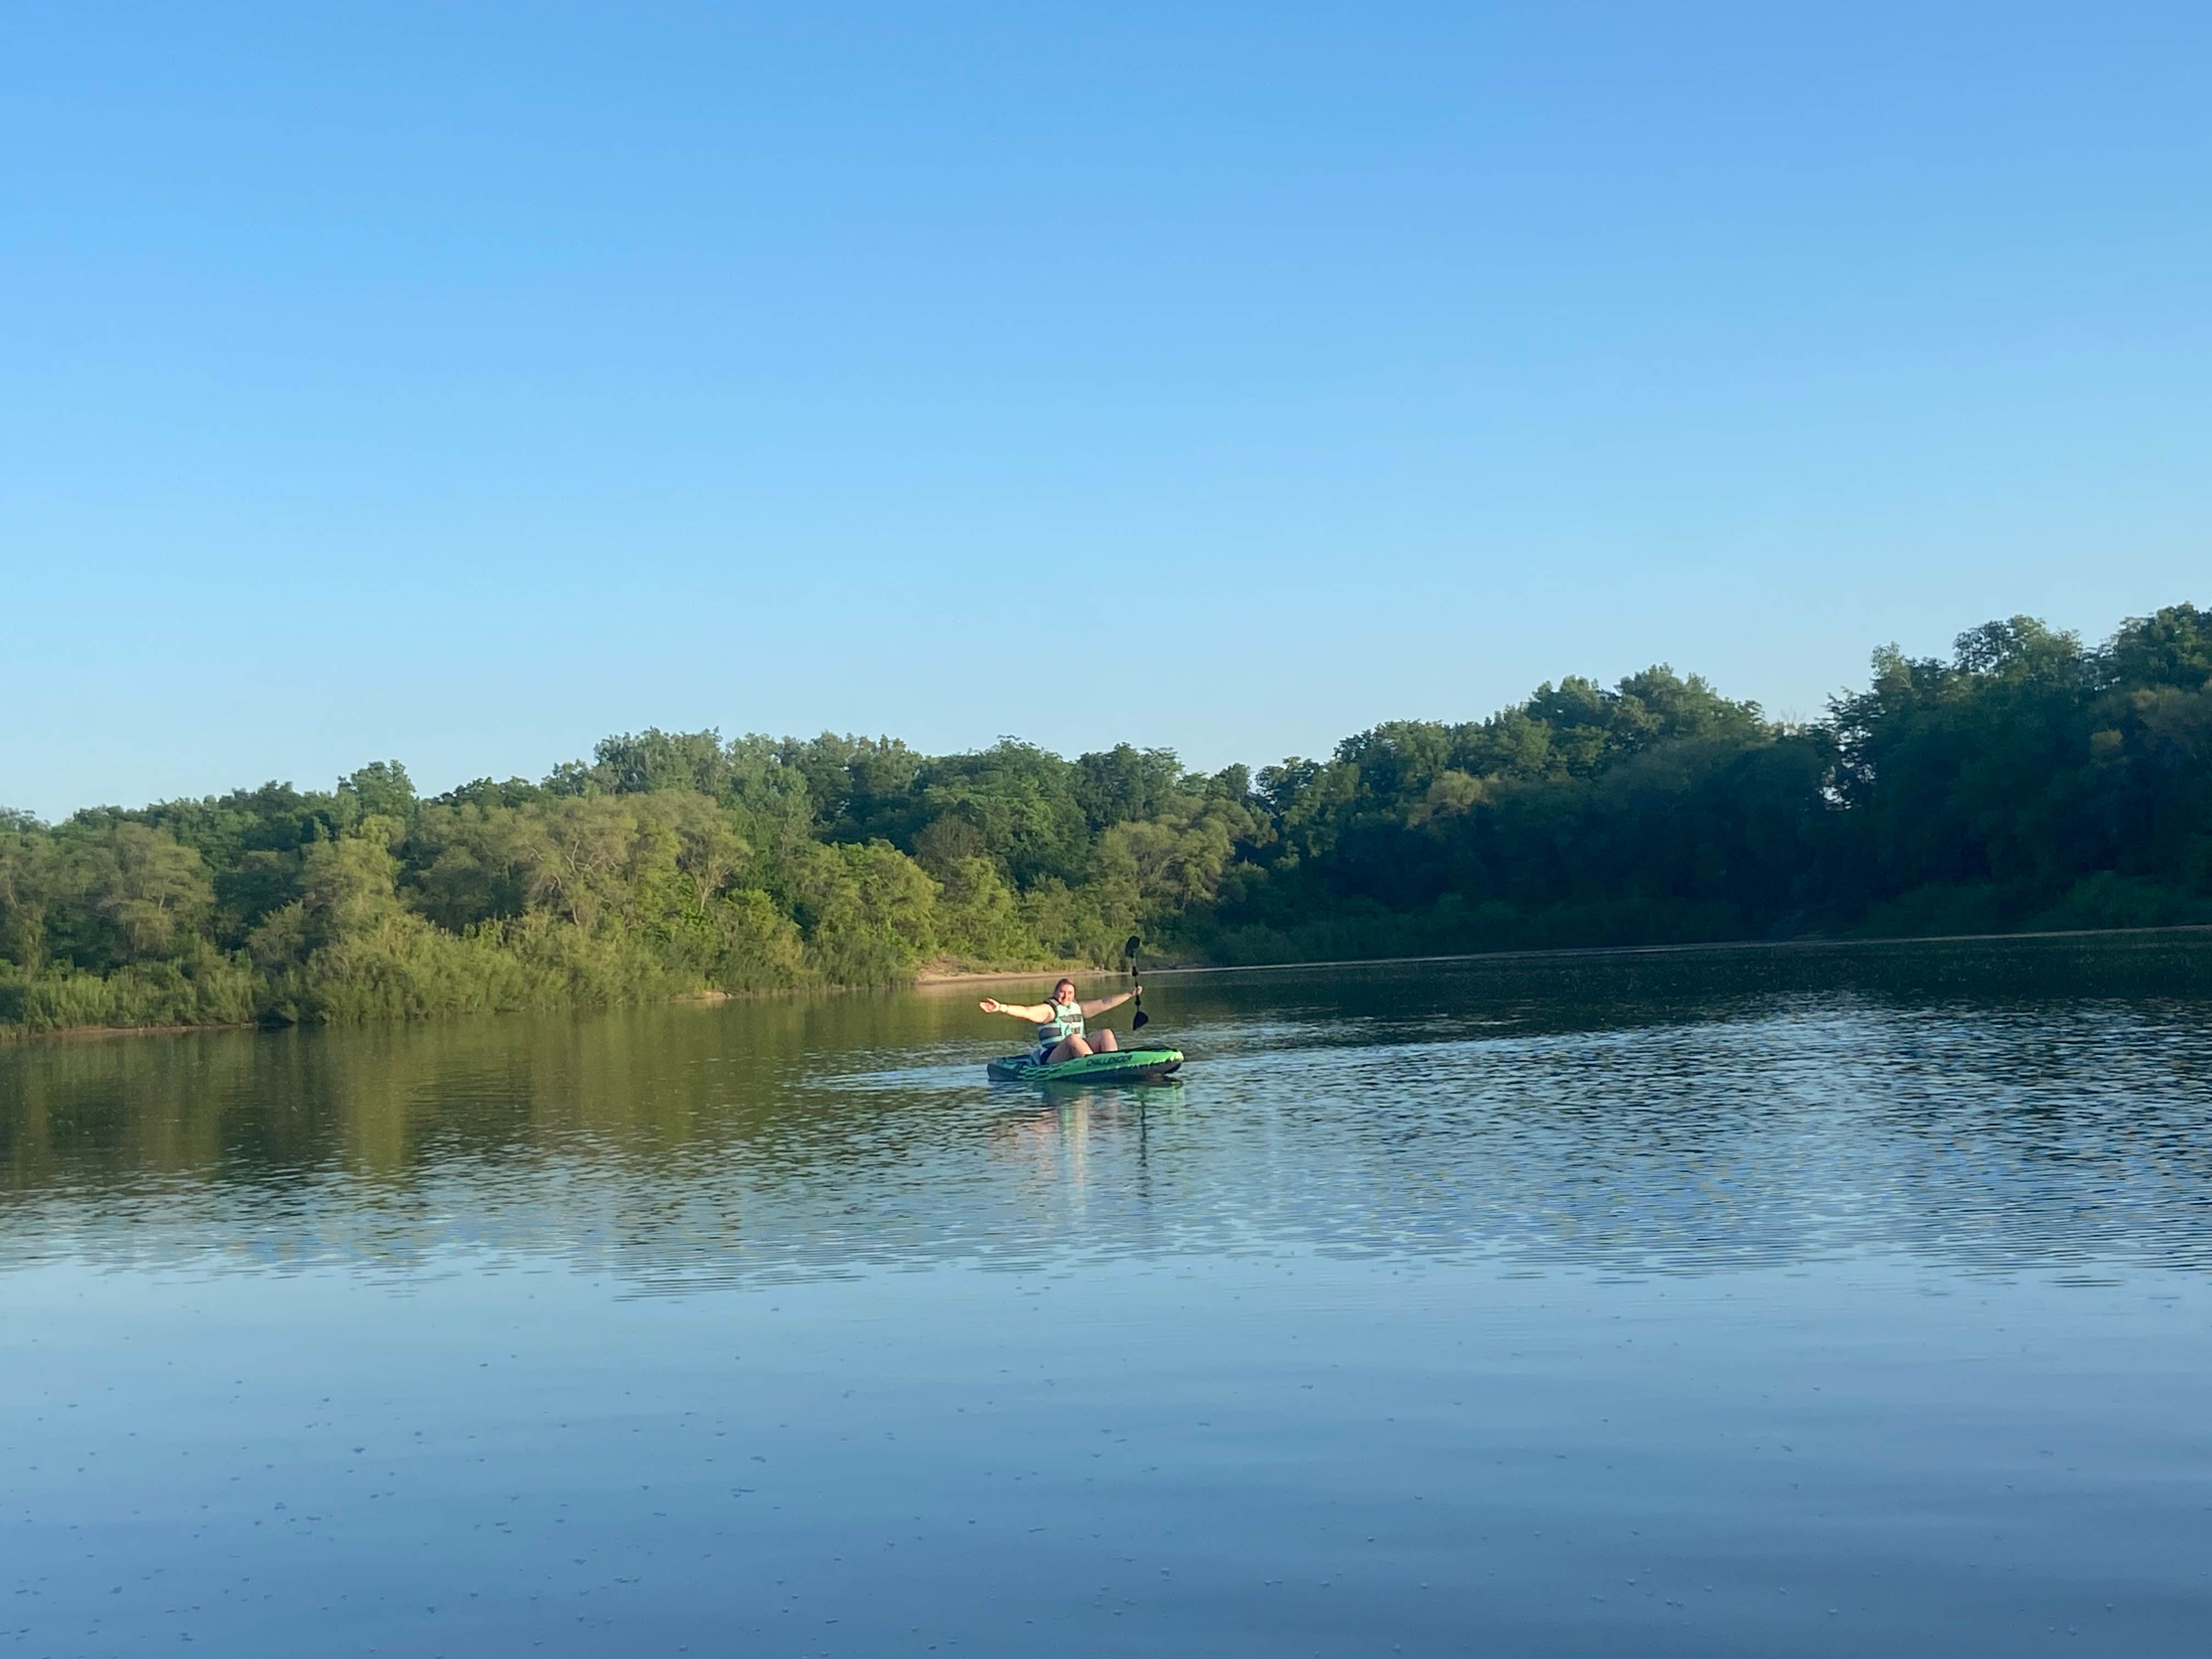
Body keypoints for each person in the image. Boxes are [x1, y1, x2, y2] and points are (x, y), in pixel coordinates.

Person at [979, 977, 1140, 1064]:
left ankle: (1113, 1062)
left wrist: (1130, 994)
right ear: (1056, 992)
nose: (1066, 996)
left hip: (1079, 1051)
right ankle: (1096, 1066)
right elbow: (1026, 1011)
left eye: (1070, 993)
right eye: (1062, 992)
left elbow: (1106, 1003)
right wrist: (1001, 1007)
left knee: (1106, 1033)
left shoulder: (1078, 1008)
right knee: (1073, 1039)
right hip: (1053, 1056)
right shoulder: (1048, 1010)